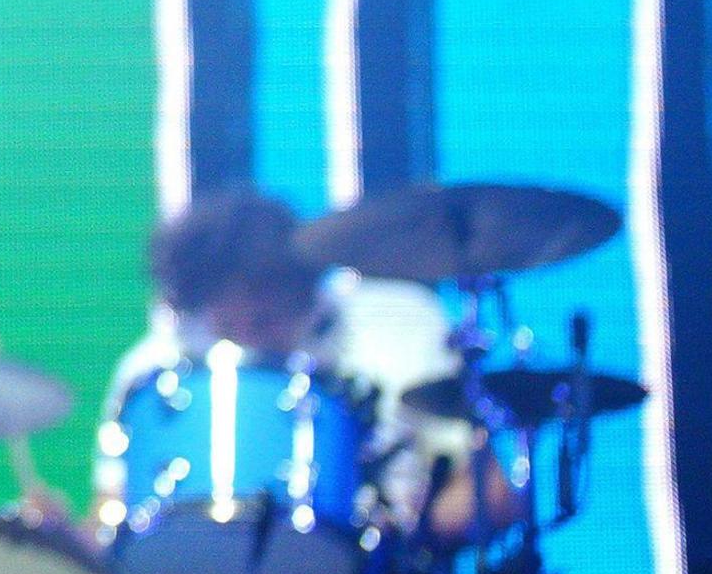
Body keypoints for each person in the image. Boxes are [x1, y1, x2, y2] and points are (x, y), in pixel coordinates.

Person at [80, 187, 494, 542]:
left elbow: (491, 490)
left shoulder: (398, 326)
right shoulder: (155, 364)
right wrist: (65, 546)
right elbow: (113, 513)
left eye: (264, 322)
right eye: (226, 326)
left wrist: (410, 537)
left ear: (304, 289)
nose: (246, 340)